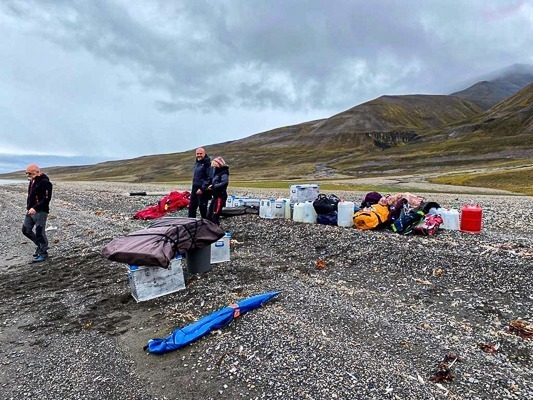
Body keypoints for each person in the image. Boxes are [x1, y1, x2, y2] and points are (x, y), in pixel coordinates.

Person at [22, 164, 53, 263]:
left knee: (40, 232)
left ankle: (43, 254)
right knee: (26, 230)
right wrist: (29, 207)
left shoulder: (45, 182)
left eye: (30, 173)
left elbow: (46, 199)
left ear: (37, 172)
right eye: (27, 174)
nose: (28, 175)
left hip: (40, 211)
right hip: (30, 211)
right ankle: (40, 246)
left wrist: (35, 207)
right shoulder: (32, 180)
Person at [188, 147, 212, 219]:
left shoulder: (207, 164)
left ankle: (206, 224)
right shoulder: (197, 162)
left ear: (204, 154)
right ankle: (191, 223)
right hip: (195, 188)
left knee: (203, 208)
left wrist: (202, 188)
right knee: (192, 207)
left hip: (203, 190)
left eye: (200, 154)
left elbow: (209, 178)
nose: (199, 155)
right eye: (197, 154)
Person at [206, 157, 229, 225]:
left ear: (218, 164)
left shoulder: (224, 173)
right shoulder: (216, 172)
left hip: (220, 197)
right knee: (209, 215)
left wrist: (214, 186)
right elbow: (215, 182)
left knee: (215, 216)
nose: (212, 165)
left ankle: (217, 231)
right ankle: (209, 231)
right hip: (215, 196)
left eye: (214, 163)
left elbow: (224, 183)